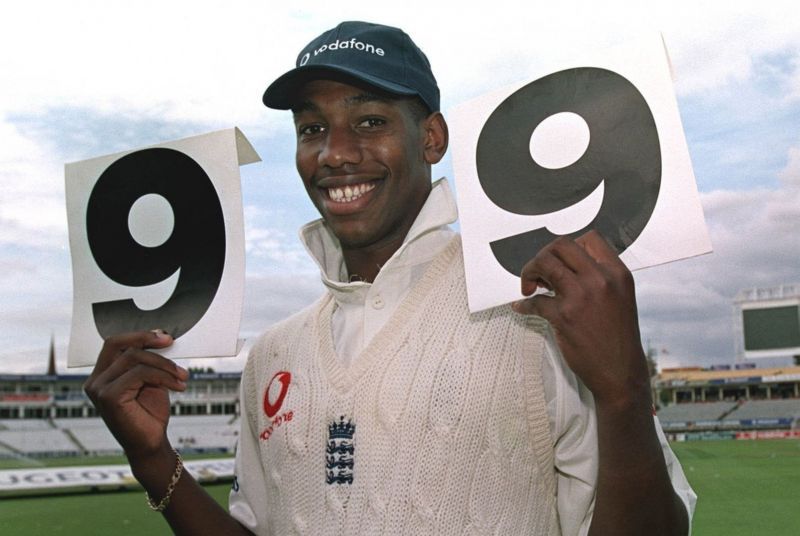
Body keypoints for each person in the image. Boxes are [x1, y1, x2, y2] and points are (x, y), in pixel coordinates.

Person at [84, 20, 696, 535]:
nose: (335, 153)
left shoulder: (535, 312)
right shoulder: (273, 354)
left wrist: (622, 393)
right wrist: (151, 456)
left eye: (370, 121)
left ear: (431, 138)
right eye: (311, 129)